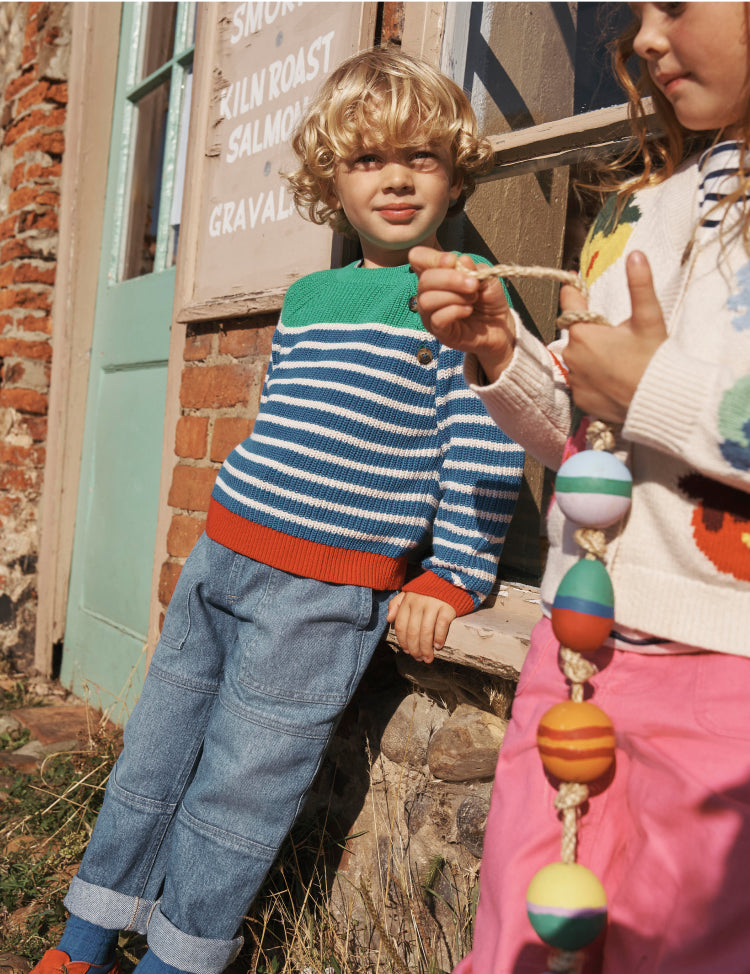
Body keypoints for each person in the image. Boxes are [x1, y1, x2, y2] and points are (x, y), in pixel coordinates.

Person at [32, 50, 524, 974]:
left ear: (456, 169)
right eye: (369, 158)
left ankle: (178, 957)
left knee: (243, 787)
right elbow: (284, 417)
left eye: (420, 157)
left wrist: (454, 573)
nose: (396, 177)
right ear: (330, 176)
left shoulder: (460, 294)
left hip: (322, 593)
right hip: (227, 552)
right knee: (159, 745)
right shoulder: (310, 296)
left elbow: (490, 439)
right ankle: (86, 933)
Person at [410, 4, 750, 973]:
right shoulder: (635, 206)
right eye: (637, 9)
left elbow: (648, 402)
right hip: (574, 669)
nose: (643, 37)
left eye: (676, 5)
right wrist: (499, 353)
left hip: (728, 689)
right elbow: (587, 436)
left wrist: (656, 391)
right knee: (520, 944)